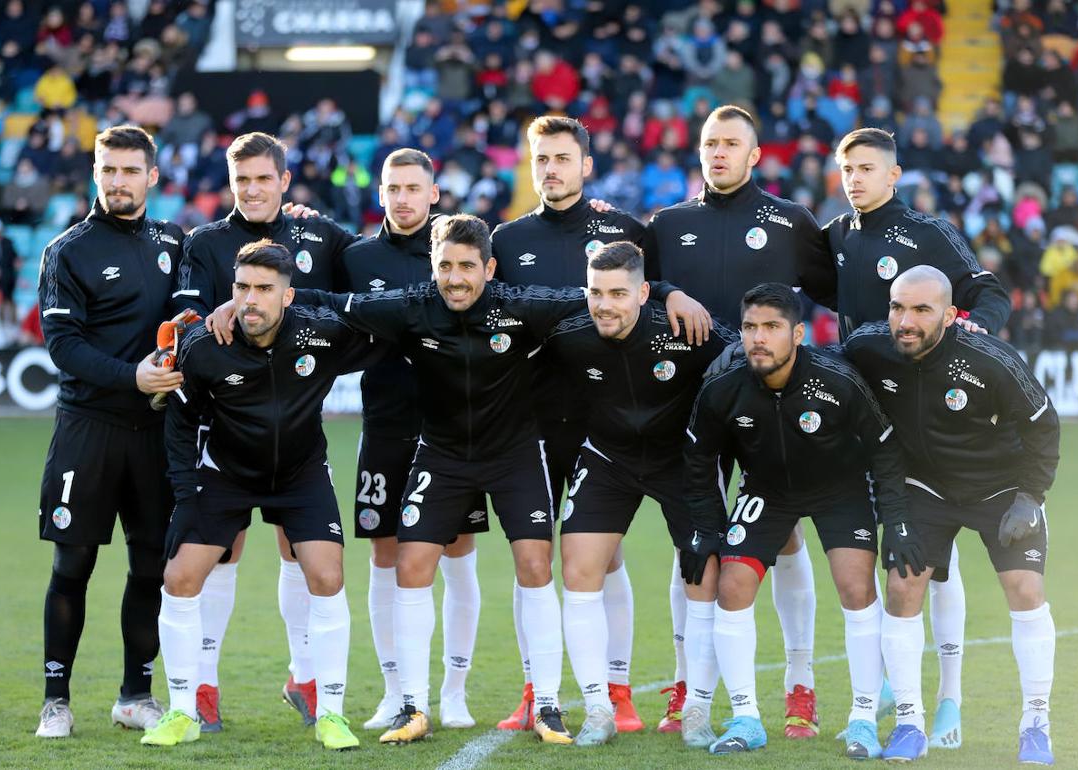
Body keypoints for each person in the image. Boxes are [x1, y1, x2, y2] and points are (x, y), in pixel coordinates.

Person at [206, 214, 707, 746]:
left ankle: (548, 703)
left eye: (468, 266)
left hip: (515, 454)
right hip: (441, 455)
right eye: (445, 265)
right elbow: (328, 301)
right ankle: (412, 707)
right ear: (433, 266)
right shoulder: (412, 305)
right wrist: (240, 304)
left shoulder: (521, 306)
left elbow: (603, 293)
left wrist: (669, 293)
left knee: (536, 565)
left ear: (488, 268)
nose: (456, 277)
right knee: (412, 564)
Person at [806, 127, 1017, 750]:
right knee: (889, 558)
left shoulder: (927, 232)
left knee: (937, 563)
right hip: (862, 414)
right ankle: (890, 694)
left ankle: (947, 696)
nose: (855, 178)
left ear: (893, 175)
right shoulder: (837, 235)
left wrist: (969, 338)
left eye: (867, 168)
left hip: (929, 420)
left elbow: (987, 291)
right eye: (847, 169)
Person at [141, 240, 384, 749]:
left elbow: (384, 328)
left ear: (288, 296)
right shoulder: (204, 345)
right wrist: (186, 496)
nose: (250, 300)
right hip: (226, 475)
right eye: (242, 288)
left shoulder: (321, 334)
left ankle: (332, 714)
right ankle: (183, 709)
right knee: (180, 576)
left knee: (327, 574)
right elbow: (181, 424)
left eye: (264, 289)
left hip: (300, 474)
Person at [643, 104, 831, 738]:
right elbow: (635, 285)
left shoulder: (791, 222)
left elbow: (845, 290)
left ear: (755, 156)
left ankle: (799, 685)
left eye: (731, 144)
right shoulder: (668, 224)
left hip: (768, 408)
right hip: (685, 407)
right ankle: (685, 688)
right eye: (709, 144)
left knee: (782, 535)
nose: (717, 153)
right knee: (692, 539)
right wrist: (668, 291)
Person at [172, 132, 358, 732]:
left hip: (296, 428)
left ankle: (305, 675)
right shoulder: (205, 241)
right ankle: (203, 686)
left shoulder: (320, 235)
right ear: (231, 183)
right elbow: (184, 324)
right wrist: (213, 313)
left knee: (299, 550)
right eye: (241, 179)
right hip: (224, 427)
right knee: (222, 553)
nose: (252, 189)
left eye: (263, 178)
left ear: (284, 180)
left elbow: (358, 300)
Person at [681, 282, 915, 759]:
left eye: (771, 327)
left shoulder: (837, 378)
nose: (758, 338)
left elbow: (885, 448)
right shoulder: (723, 386)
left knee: (856, 588)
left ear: (799, 333)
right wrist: (704, 528)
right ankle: (746, 716)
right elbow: (698, 460)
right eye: (750, 327)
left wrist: (896, 521)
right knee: (732, 585)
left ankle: (863, 719)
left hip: (841, 489)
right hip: (767, 489)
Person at [843, 266, 1059, 764]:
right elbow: (825, 370)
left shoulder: (993, 359)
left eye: (922, 309)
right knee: (901, 588)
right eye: (898, 307)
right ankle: (909, 723)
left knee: (1025, 590)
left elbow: (1043, 426)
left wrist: (1030, 496)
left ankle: (1036, 721)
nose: (906, 321)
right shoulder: (869, 347)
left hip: (1001, 487)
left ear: (951, 315)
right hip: (924, 487)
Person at [490, 115, 648, 733]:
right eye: (540, 158)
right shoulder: (505, 240)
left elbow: (648, 297)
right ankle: (537, 688)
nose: (550, 168)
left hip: (600, 422)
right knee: (530, 558)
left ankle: (618, 687)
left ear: (586, 164)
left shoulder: (624, 232)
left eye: (562, 157)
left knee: (603, 559)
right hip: (526, 422)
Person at [545, 241, 736, 746]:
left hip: (683, 462)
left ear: (644, 293)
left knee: (704, 573)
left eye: (617, 293)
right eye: (595, 292)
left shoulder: (686, 330)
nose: (605, 304)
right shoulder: (571, 334)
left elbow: (750, 358)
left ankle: (696, 708)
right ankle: (597, 709)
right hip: (609, 458)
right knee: (578, 567)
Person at [34, 126, 184, 739]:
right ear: (94, 174)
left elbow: (240, 252)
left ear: (152, 175)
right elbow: (62, 345)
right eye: (107, 170)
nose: (117, 181)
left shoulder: (177, 241)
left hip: (155, 435)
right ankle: (55, 700)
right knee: (73, 564)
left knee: (150, 567)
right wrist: (134, 377)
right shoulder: (67, 250)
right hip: (88, 430)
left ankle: (134, 695)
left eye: (129, 170)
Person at [336, 148, 488, 731]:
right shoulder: (357, 257)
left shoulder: (459, 252)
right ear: (380, 193)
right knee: (385, 553)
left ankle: (453, 690)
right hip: (386, 427)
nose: (401, 198)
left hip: (454, 429)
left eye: (412, 188)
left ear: (433, 194)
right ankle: (397, 691)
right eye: (391, 188)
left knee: (457, 553)